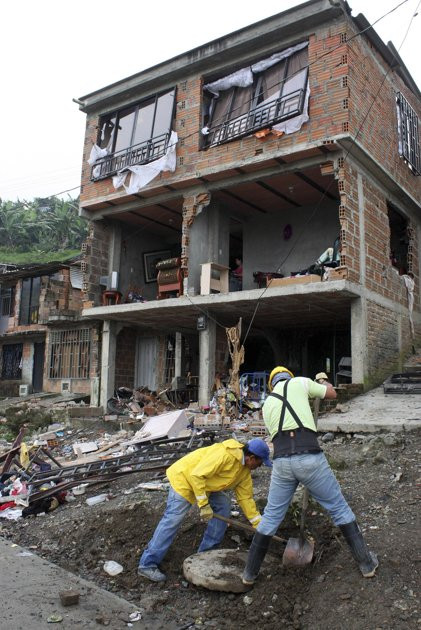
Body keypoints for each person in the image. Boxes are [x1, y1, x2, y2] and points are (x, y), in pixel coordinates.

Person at [242, 366, 378, 585]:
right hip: (309, 457)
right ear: (289, 377)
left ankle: (249, 574)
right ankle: (367, 565)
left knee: (270, 518)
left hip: (282, 463)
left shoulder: (267, 405)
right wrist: (323, 382)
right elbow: (332, 393)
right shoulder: (301, 383)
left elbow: (276, 434)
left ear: (272, 384)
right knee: (339, 508)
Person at [138, 437, 271, 582]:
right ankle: (147, 564)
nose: (260, 466)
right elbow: (197, 475)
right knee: (172, 520)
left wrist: (259, 525)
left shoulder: (244, 471)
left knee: (223, 505)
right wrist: (203, 504)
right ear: (251, 458)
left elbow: (245, 498)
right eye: (260, 463)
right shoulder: (224, 455)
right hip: (185, 479)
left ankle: (205, 555)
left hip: (205, 484)